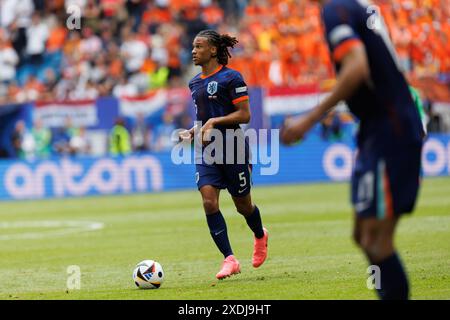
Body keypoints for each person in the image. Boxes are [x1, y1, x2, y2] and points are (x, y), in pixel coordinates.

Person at [280, 0, 424, 300]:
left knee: (376, 238)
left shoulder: (337, 9)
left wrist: (309, 119)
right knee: (363, 236)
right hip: (377, 129)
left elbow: (357, 67)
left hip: (391, 128)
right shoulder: (351, 7)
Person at [179, 29, 268, 280]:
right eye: (193, 47)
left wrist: (214, 122)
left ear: (214, 50)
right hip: (207, 150)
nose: (193, 51)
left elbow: (244, 115)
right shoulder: (194, 83)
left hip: (233, 148)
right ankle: (229, 259)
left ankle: (260, 235)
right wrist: (193, 131)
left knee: (243, 205)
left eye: (198, 47)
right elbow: (203, 120)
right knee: (209, 202)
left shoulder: (232, 78)